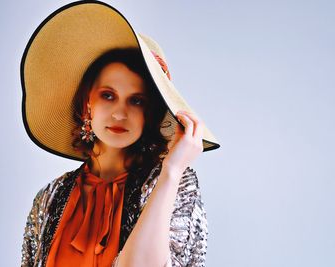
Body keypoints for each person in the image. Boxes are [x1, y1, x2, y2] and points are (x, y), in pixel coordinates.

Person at [20, 1, 220, 267]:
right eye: (108, 95)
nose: (119, 113)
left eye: (136, 101)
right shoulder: (50, 196)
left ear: (151, 113)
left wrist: (171, 171)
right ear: (87, 102)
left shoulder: (177, 184)